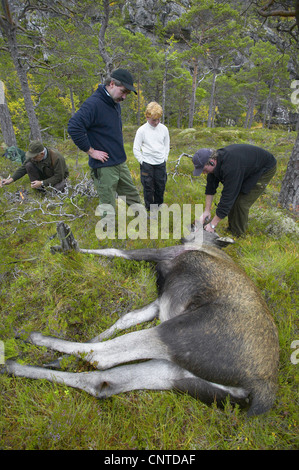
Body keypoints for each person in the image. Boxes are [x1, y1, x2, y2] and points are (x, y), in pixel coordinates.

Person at [67, 68, 141, 214]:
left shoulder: (114, 103)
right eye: (123, 91)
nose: (125, 97)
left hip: (119, 161)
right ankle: (109, 233)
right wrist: (91, 151)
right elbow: (74, 126)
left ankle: (144, 219)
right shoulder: (94, 103)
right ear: (112, 84)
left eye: (127, 93)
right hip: (104, 166)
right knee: (108, 203)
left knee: (132, 194)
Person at [192, 144, 277, 237]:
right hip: (246, 167)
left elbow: (228, 197)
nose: (204, 173)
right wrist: (206, 211)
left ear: (212, 162)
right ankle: (231, 229)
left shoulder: (231, 167)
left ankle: (238, 235)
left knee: (241, 203)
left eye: (204, 169)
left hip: (264, 168)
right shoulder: (215, 163)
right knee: (235, 198)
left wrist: (212, 224)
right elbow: (210, 188)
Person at [133, 102, 170, 211]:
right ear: (147, 117)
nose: (157, 122)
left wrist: (165, 158)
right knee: (148, 187)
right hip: (147, 164)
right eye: (154, 120)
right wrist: (142, 161)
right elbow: (136, 148)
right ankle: (149, 208)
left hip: (160, 163)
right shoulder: (141, 130)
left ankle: (158, 207)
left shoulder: (164, 129)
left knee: (160, 186)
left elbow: (166, 145)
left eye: (159, 119)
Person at [0, 140, 69, 192]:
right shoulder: (34, 156)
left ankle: (44, 188)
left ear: (42, 154)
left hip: (58, 178)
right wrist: (9, 180)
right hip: (45, 174)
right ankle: (39, 191)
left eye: (34, 157)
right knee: (28, 165)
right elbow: (22, 168)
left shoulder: (57, 157)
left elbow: (59, 176)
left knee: (58, 189)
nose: (32, 158)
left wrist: (42, 183)